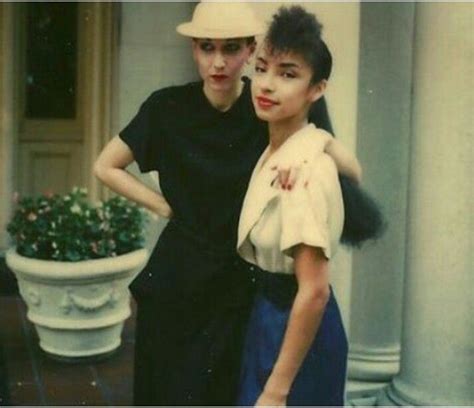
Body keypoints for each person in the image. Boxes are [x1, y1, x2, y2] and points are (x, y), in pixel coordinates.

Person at [93, 3, 361, 405]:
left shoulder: (263, 110)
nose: (218, 62)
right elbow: (105, 166)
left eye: (231, 48)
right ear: (193, 50)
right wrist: (164, 206)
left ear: (250, 51)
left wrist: (310, 149)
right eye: (206, 47)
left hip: (237, 284)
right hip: (179, 276)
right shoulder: (166, 107)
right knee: (166, 390)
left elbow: (342, 162)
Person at [236, 6, 380, 406]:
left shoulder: (303, 175)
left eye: (288, 74)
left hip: (295, 330)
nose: (266, 85)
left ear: (316, 89)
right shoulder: (280, 150)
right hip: (270, 320)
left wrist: (276, 391)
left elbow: (314, 291)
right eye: (261, 68)